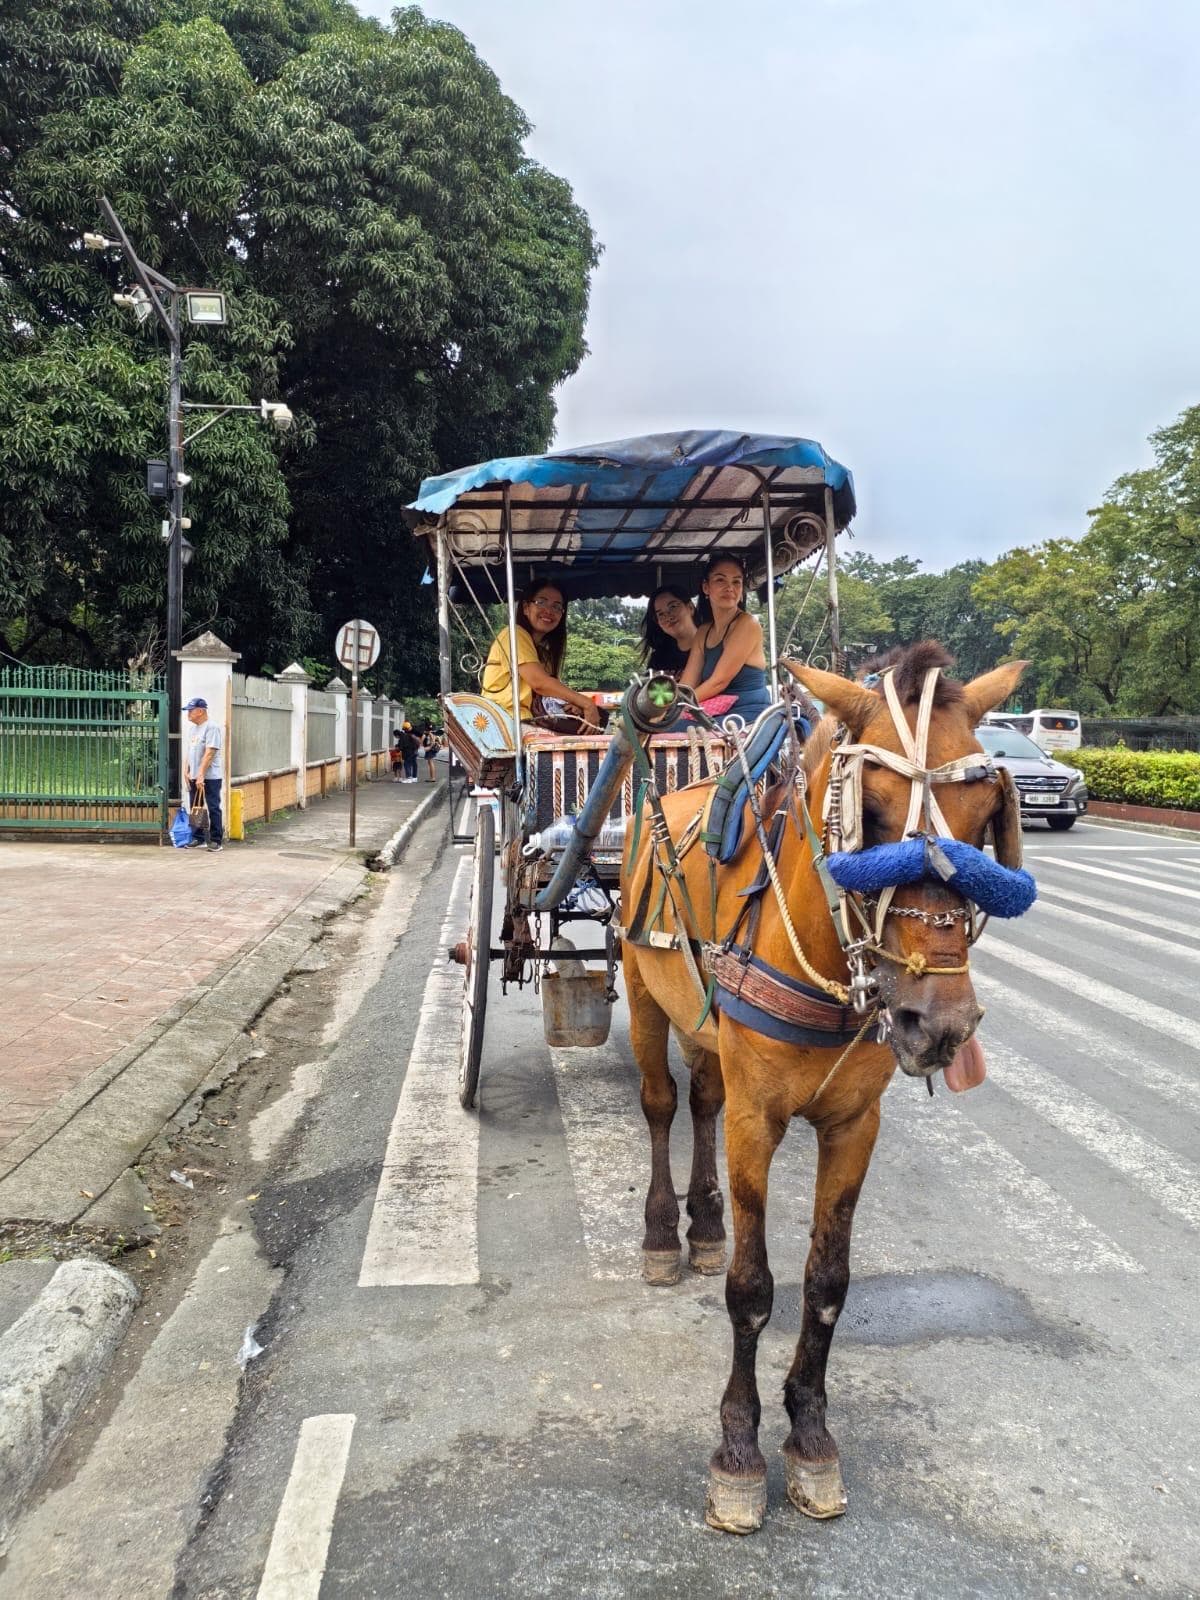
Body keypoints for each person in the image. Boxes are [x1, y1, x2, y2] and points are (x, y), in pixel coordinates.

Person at [480, 580, 600, 729]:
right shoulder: (514, 634)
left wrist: (569, 704)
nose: (548, 611)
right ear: (526, 608)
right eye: (541, 602)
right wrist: (586, 703)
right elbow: (539, 683)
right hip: (504, 721)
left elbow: (547, 695)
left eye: (556, 606)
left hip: (528, 722)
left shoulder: (543, 654)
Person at [680, 554, 772, 723]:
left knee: (671, 727)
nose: (729, 587)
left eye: (736, 582)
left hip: (747, 716)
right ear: (706, 587)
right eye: (720, 580)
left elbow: (718, 682)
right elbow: (687, 685)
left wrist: (677, 708)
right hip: (715, 713)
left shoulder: (748, 624)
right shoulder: (703, 632)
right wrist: (663, 706)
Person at [185, 697, 224, 852]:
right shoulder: (193, 730)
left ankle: (216, 840)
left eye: (191, 710)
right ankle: (198, 837)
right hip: (195, 775)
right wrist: (186, 770)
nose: (188, 713)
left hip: (210, 777)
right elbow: (190, 751)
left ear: (200, 711)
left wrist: (201, 774)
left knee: (213, 807)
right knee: (196, 806)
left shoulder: (211, 727)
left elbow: (210, 753)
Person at [639, 585, 698, 676]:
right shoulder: (658, 658)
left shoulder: (712, 646)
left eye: (673, 607)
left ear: (690, 607)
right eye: (661, 614)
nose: (668, 616)